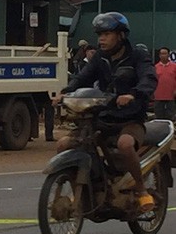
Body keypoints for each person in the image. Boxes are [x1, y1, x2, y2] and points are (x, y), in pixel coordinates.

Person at [53, 12, 157, 212]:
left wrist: (134, 94)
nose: (101, 38)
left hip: (129, 119)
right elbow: (82, 77)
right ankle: (80, 192)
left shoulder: (138, 56)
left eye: (107, 33)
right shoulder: (99, 58)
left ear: (121, 35)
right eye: (99, 34)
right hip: (101, 117)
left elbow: (149, 78)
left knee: (125, 145)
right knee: (63, 144)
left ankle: (142, 190)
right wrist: (65, 93)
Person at [154, 46, 176, 120]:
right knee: (159, 117)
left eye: (165, 53)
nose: (163, 55)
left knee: (171, 117)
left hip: (171, 95)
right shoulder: (155, 67)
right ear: (159, 55)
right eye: (161, 54)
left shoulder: (174, 66)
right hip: (158, 96)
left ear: (168, 55)